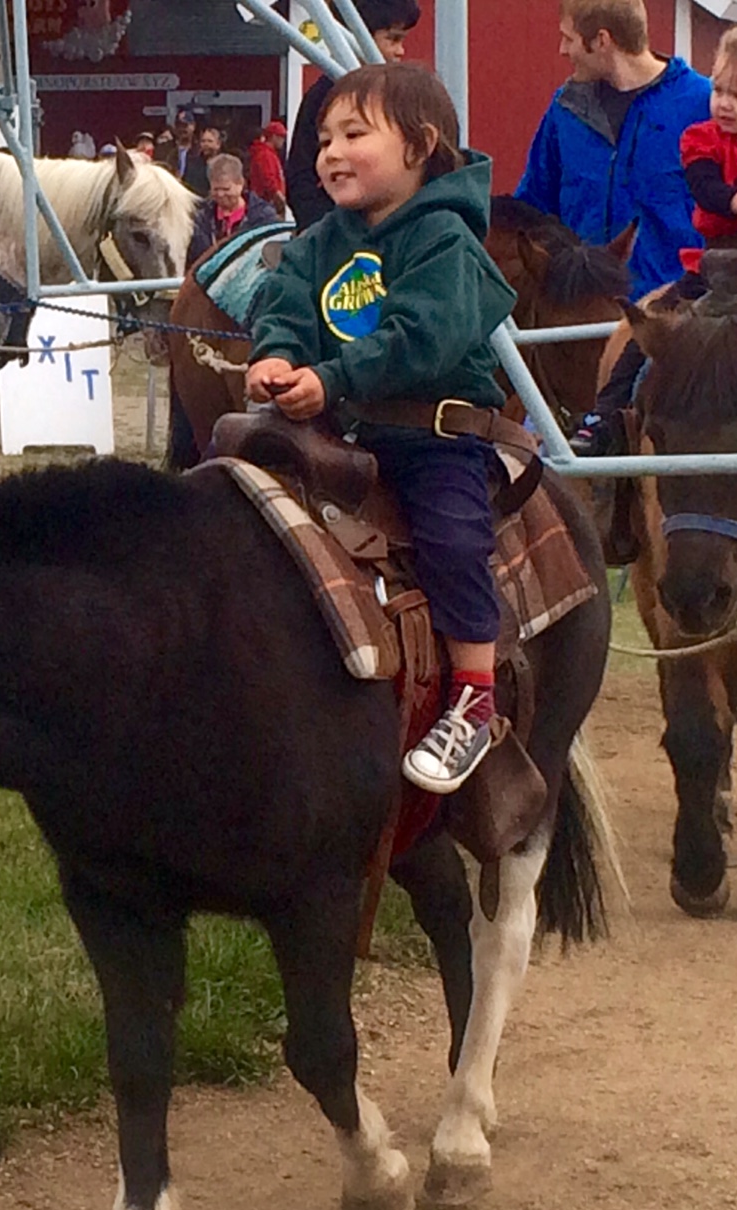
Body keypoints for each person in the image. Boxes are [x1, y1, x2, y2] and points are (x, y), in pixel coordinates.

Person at [248, 63, 517, 794]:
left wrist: (332, 379)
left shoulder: (445, 241)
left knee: (454, 542)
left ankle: (473, 697)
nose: (330, 152)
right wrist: (275, 354)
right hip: (339, 432)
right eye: (325, 138)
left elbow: (419, 335)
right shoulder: (319, 240)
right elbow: (286, 301)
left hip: (432, 438)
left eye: (354, 134)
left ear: (420, 146)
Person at [574, 25, 737, 457]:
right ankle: (606, 413)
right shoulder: (701, 139)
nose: (724, 104)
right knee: (654, 325)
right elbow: (704, 185)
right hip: (720, 261)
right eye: (719, 90)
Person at [515, 0, 710, 303]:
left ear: (602, 41)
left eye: (569, 38)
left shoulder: (704, 106)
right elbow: (533, 208)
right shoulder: (567, 110)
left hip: (673, 323)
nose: (562, 50)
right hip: (582, 321)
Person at [285, 0, 420, 232]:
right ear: (357, 35)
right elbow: (300, 177)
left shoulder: (405, 97)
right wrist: (329, 231)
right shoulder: (325, 96)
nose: (401, 51)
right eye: (393, 39)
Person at [188, 153, 281, 262]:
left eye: (226, 189)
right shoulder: (201, 218)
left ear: (241, 184)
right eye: (215, 189)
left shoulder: (263, 216)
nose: (220, 194)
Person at [156, 108, 209, 195]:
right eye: (179, 125)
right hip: (169, 193)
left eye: (186, 125)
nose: (182, 129)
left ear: (193, 126)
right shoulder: (163, 149)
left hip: (194, 195)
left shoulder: (201, 150)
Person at [248, 120, 288, 214]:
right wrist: (282, 201)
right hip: (266, 204)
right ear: (274, 137)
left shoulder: (267, 153)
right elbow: (269, 181)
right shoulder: (265, 155)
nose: (283, 140)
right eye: (281, 137)